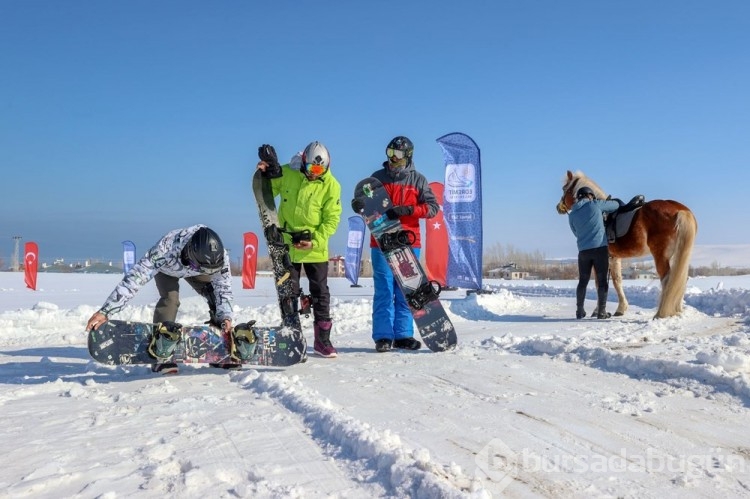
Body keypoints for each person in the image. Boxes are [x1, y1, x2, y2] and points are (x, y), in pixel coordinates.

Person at [85, 225, 237, 374]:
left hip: (201, 264)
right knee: (170, 299)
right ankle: (162, 348)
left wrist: (226, 317)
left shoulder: (219, 258)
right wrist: (106, 311)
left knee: (215, 295)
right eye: (200, 268)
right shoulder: (164, 249)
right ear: (190, 252)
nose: (202, 272)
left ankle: (220, 346)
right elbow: (133, 281)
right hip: (167, 270)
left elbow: (223, 289)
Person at [352, 136, 439, 352]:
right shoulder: (377, 179)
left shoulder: (418, 180)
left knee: (406, 291)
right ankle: (383, 336)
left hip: (408, 242)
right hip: (381, 241)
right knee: (384, 289)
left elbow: (432, 208)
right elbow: (367, 205)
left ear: (408, 156)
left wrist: (409, 210)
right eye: (389, 152)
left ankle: (403, 335)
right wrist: (359, 205)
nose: (392, 158)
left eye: (398, 155)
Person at [256, 141, 342, 358]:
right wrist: (269, 171)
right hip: (286, 244)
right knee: (288, 291)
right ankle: (291, 335)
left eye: (320, 170)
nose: (315, 174)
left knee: (320, 293)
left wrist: (314, 240)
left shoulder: (332, 185)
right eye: (312, 168)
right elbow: (267, 190)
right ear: (304, 163)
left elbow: (332, 219)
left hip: (315, 246)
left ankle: (323, 341)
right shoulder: (289, 173)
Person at [568, 186, 620, 319]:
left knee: (583, 281)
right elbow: (615, 205)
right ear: (590, 195)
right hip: (599, 249)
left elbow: (575, 232)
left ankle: (579, 311)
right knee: (602, 281)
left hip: (583, 252)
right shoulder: (595, 205)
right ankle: (601, 312)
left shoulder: (572, 214)